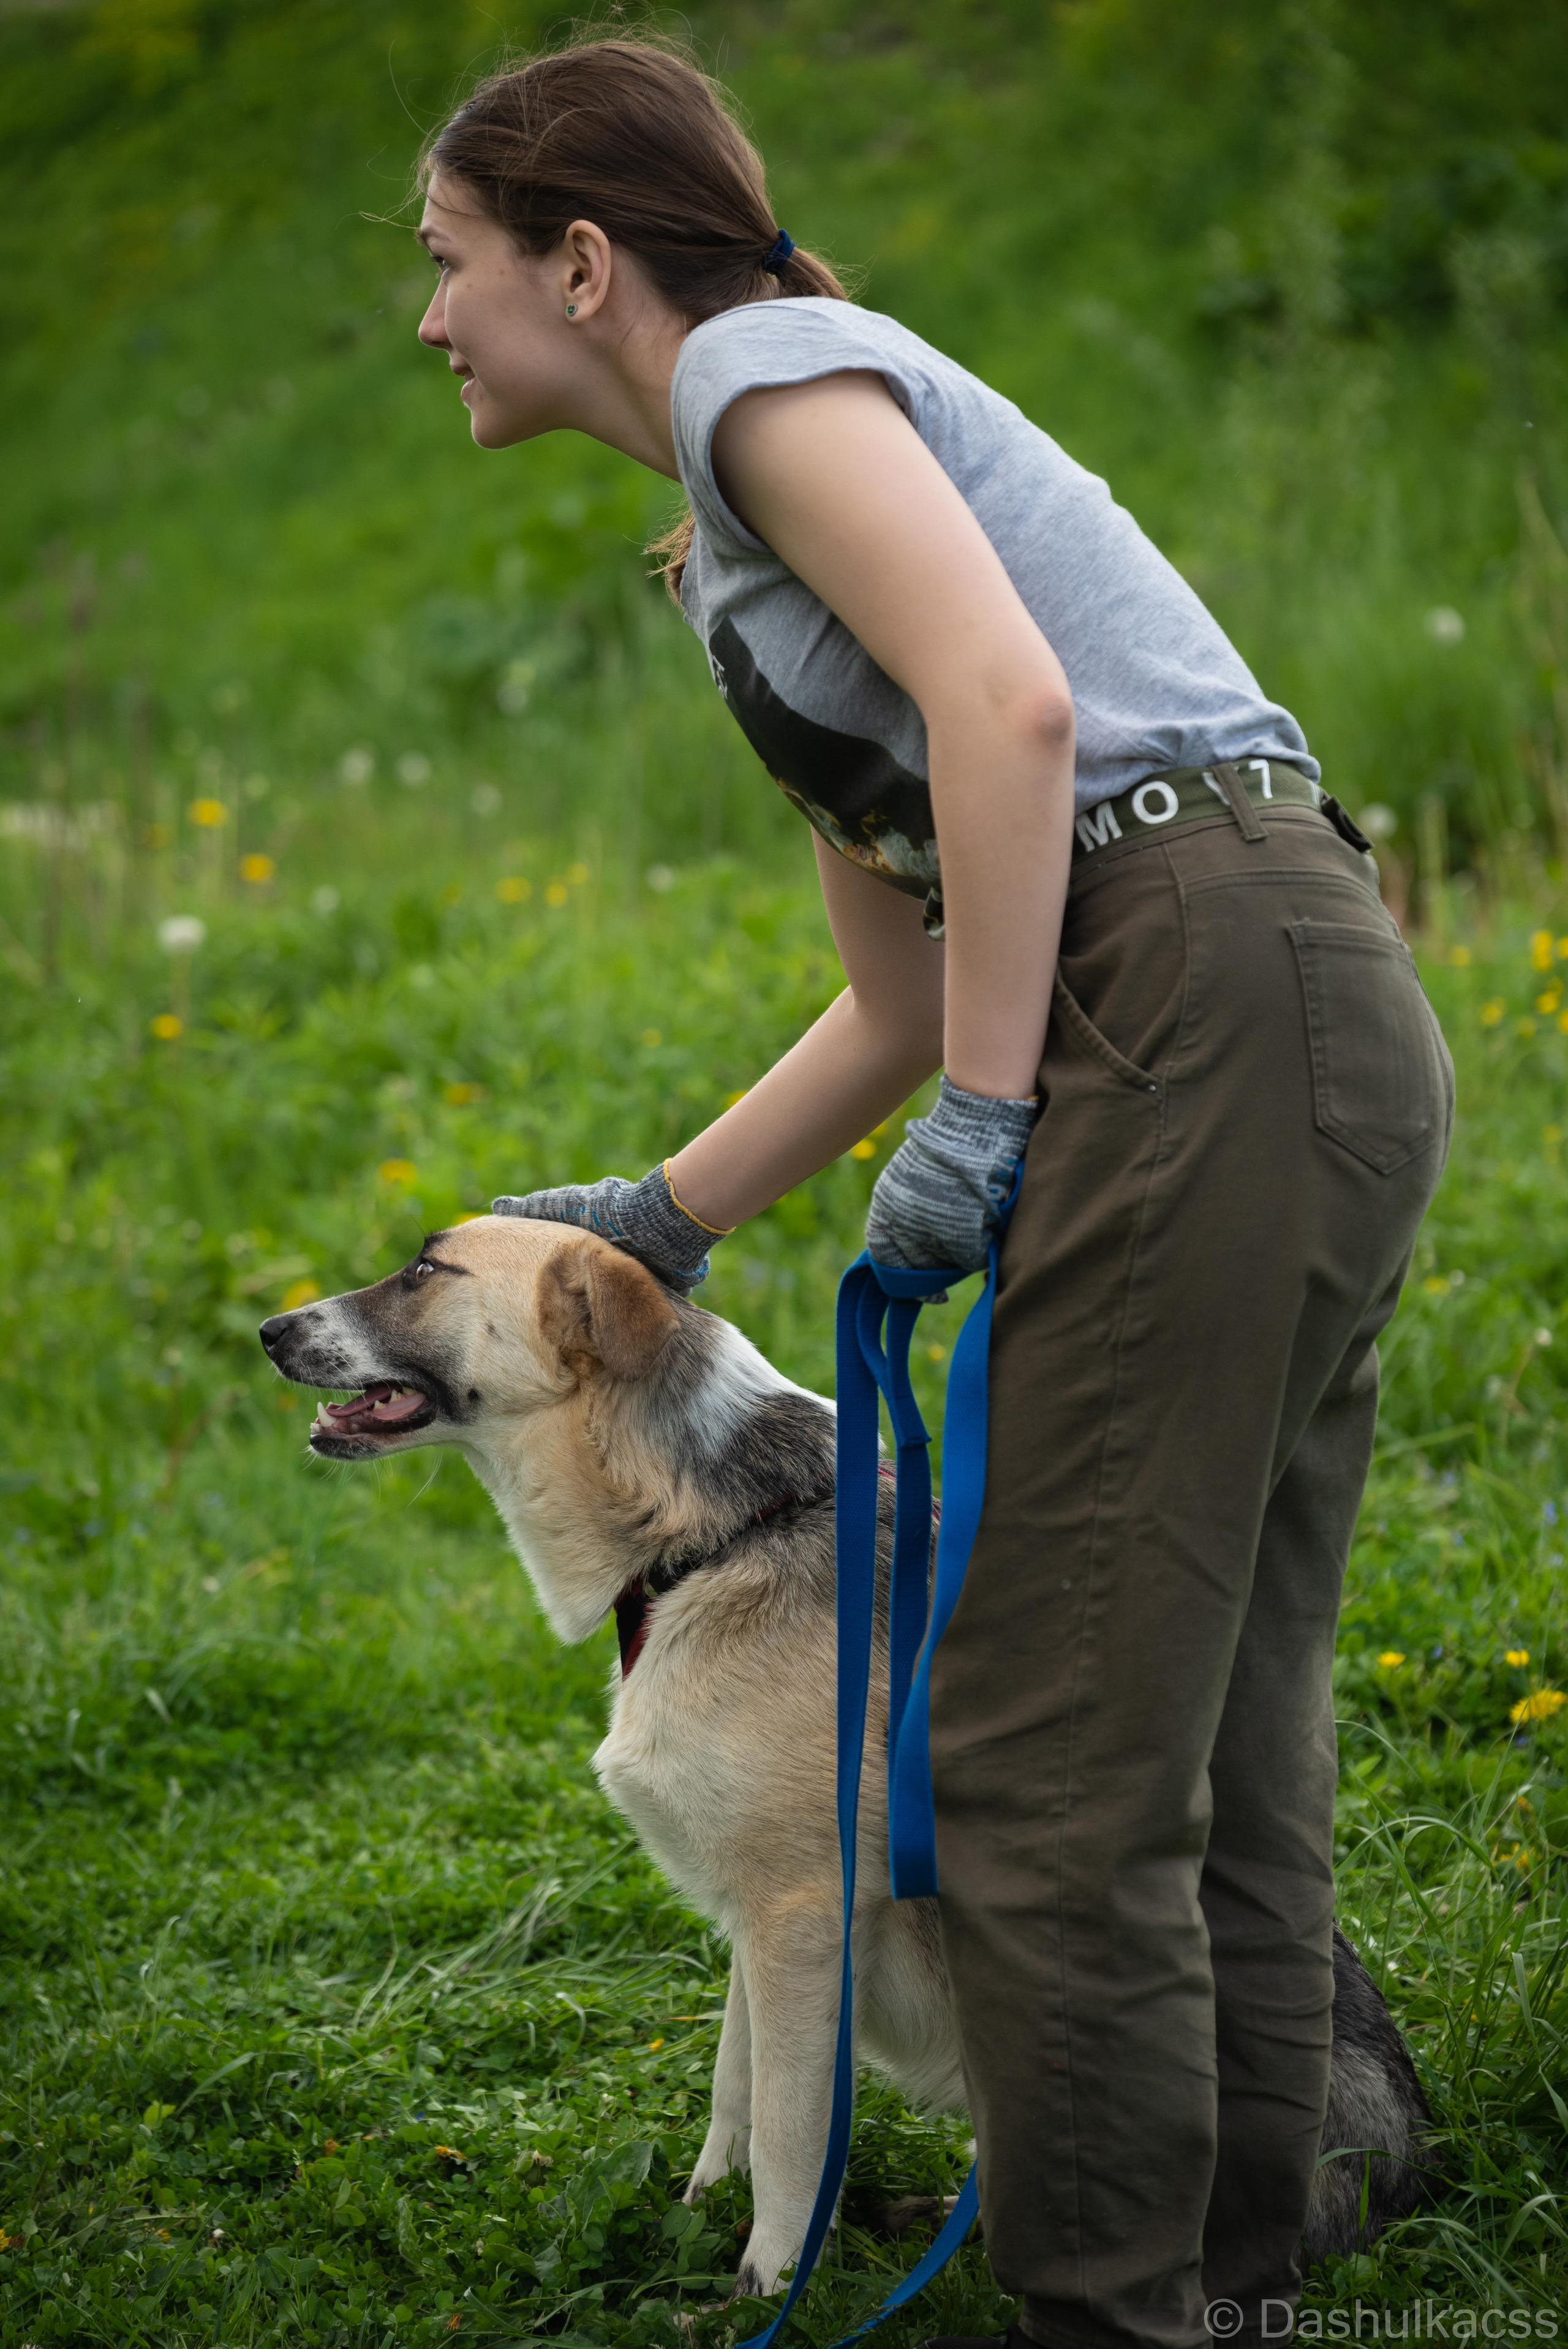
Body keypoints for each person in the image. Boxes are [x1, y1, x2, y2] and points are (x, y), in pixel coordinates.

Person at [415, 36, 1452, 2349]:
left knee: (1041, 1760)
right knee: (1200, 1734)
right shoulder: (738, 536)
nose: (430, 317)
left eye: (451, 262)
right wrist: (670, 1214)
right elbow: (892, 995)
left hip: (1195, 995)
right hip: (1274, 1002)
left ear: (583, 264)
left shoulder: (774, 377)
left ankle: (1118, 2304)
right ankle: (1238, 2269)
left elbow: (1011, 720)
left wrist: (996, 1118)